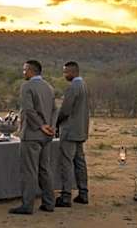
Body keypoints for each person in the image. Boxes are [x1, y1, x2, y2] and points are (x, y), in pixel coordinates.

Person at [9, 59, 56, 215]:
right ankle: (49, 203)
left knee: (29, 171)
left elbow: (28, 110)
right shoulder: (49, 87)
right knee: (45, 169)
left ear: (31, 70)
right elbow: (54, 110)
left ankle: (27, 205)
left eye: (25, 70)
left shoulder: (27, 86)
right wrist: (50, 126)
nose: (23, 72)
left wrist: (41, 125)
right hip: (46, 136)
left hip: (31, 134)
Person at [55, 61, 89, 207]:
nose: (64, 75)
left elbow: (65, 110)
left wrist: (56, 122)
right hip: (81, 129)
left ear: (73, 72)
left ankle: (66, 196)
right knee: (80, 162)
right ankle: (83, 193)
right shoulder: (83, 85)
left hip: (69, 130)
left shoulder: (73, 87)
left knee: (66, 162)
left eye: (66, 72)